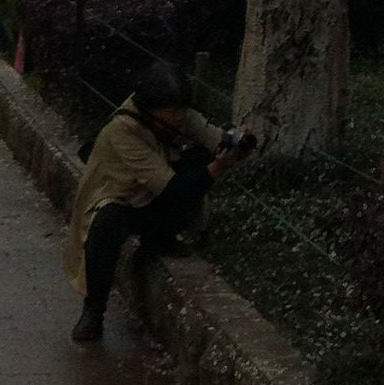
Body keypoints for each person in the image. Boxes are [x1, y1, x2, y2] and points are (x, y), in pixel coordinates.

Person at [64, 60, 249, 344]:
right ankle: (94, 309)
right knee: (106, 224)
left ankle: (159, 238)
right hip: (119, 199)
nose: (179, 117)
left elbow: (213, 139)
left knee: (199, 161)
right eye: (171, 111)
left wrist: (237, 142)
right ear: (150, 109)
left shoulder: (176, 116)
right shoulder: (123, 130)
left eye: (182, 109)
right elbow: (173, 190)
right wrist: (217, 168)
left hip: (151, 197)